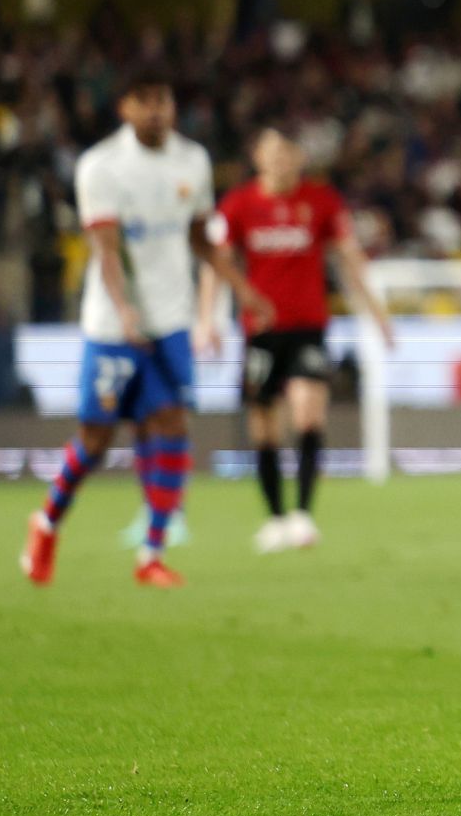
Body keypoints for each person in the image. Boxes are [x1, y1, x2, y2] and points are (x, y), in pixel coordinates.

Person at [19, 66, 273, 588]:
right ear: (125, 108)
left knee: (172, 424)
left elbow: (201, 238)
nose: (157, 109)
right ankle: (46, 525)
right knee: (95, 439)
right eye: (145, 99)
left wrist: (239, 287)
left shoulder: (193, 160)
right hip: (114, 327)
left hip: (172, 320)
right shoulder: (102, 166)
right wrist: (125, 308)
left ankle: (151, 553)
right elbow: (106, 249)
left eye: (164, 99)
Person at [196, 125, 394, 552]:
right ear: (258, 159)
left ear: (298, 160)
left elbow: (349, 259)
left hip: (309, 327)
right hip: (261, 333)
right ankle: (275, 518)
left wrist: (377, 314)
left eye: (288, 154)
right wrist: (206, 318)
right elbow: (216, 263)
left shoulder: (320, 201)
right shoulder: (239, 205)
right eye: (273, 154)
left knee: (308, 414)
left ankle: (303, 514)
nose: (281, 162)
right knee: (264, 426)